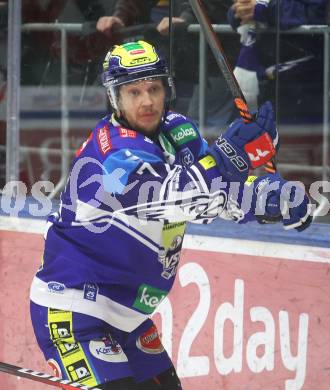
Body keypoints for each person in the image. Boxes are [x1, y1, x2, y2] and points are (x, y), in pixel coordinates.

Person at [29, 40, 312, 389]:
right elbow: (180, 196)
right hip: (74, 310)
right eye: (133, 92)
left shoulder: (178, 130)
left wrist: (273, 199)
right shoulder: (112, 154)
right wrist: (233, 154)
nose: (147, 100)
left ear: (167, 89)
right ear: (115, 98)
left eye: (153, 88)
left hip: (129, 316)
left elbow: (213, 197)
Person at [227, 0, 328, 121]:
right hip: (257, 79)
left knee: (297, 135)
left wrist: (266, 10)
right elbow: (239, 12)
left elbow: (320, 13)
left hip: (304, 84)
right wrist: (239, 12)